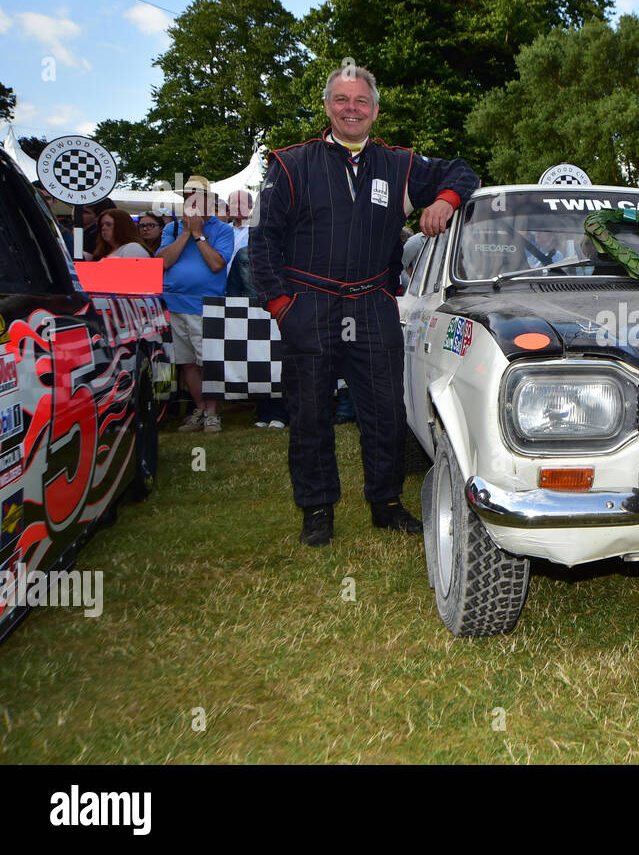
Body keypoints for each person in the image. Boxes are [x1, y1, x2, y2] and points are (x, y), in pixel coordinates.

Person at [249, 64, 478, 547]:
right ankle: (316, 509)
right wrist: (281, 307)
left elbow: (463, 170)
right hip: (307, 304)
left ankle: (386, 503)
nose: (351, 109)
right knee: (310, 414)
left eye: (361, 101)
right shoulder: (291, 163)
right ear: (328, 106)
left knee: (384, 412)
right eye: (341, 100)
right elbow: (263, 242)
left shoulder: (400, 164)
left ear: (375, 110)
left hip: (374, 304)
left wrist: (446, 200)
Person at [158, 178, 235, 433]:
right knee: (187, 361)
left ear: (209, 202)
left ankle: (212, 413)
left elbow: (216, 264)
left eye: (196, 197)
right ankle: (200, 409)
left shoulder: (223, 230)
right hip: (175, 302)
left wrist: (199, 235)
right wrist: (186, 234)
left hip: (205, 304)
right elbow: (163, 262)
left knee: (207, 361)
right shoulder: (172, 229)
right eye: (187, 197)